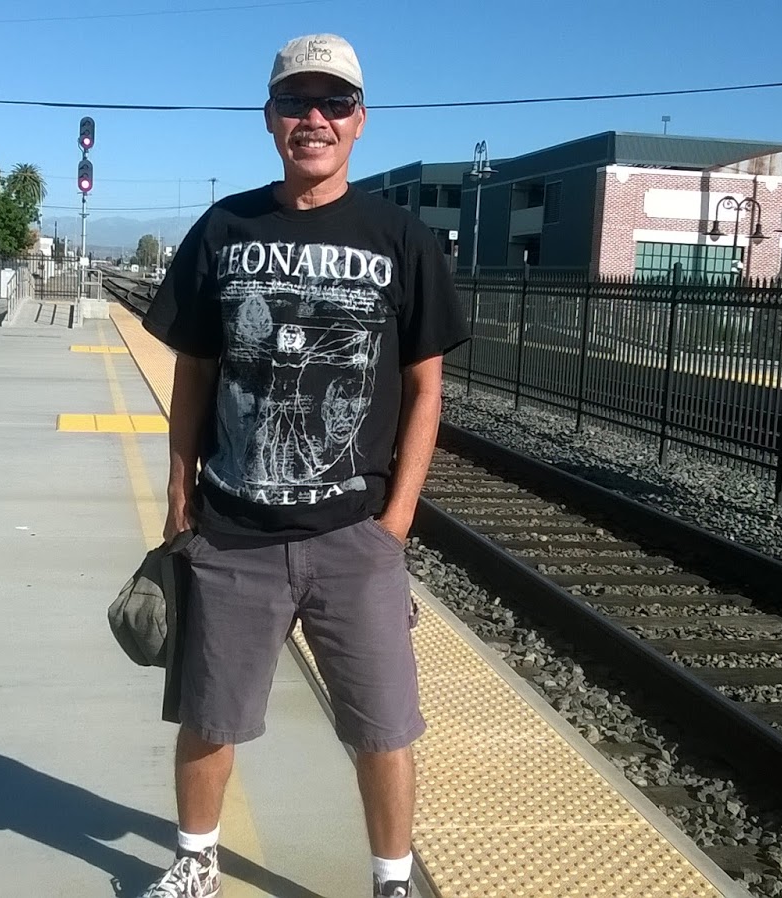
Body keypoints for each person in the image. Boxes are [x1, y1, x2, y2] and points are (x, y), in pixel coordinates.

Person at [138, 31, 469, 898]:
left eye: (334, 103)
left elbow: (425, 388)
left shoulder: (401, 238)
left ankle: (391, 881)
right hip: (232, 528)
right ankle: (196, 861)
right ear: (269, 118)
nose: (314, 118)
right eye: (295, 102)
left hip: (354, 536)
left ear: (361, 120)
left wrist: (396, 523)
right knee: (210, 714)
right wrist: (178, 492)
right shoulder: (226, 228)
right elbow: (194, 370)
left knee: (383, 727)